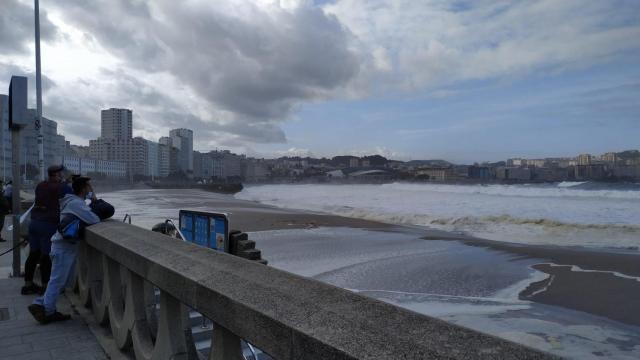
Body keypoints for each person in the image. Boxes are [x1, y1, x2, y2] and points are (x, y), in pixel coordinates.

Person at [28, 176, 102, 324]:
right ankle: (48, 311)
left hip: (63, 247)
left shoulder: (73, 202)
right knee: (57, 281)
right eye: (89, 187)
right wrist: (94, 197)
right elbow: (95, 219)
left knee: (59, 281)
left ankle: (40, 304)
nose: (90, 189)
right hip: (63, 248)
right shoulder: (76, 204)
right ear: (83, 189)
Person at [21, 165, 66, 295]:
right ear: (57, 174)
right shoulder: (60, 187)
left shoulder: (40, 185)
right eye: (61, 174)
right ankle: (46, 287)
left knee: (33, 254)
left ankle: (28, 285)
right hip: (48, 225)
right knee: (46, 257)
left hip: (34, 223)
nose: (62, 176)